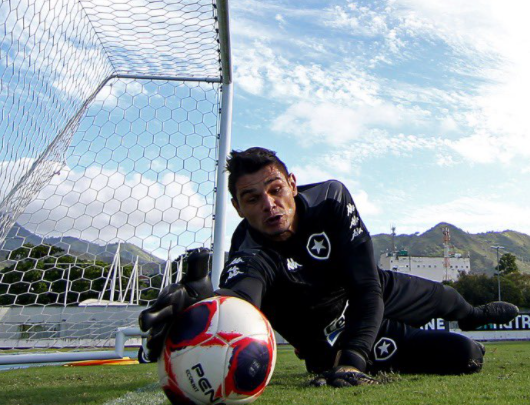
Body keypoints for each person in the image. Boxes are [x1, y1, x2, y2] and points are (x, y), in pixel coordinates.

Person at [140, 147, 519, 387]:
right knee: (466, 355)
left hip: (365, 292)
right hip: (329, 334)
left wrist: (356, 360)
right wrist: (204, 305)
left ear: (292, 184)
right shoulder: (249, 250)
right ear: (239, 209)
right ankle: (384, 345)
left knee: (446, 296)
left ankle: (472, 314)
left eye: (275, 190)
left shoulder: (331, 200)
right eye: (252, 198)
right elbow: (240, 300)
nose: (269, 205)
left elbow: (368, 287)